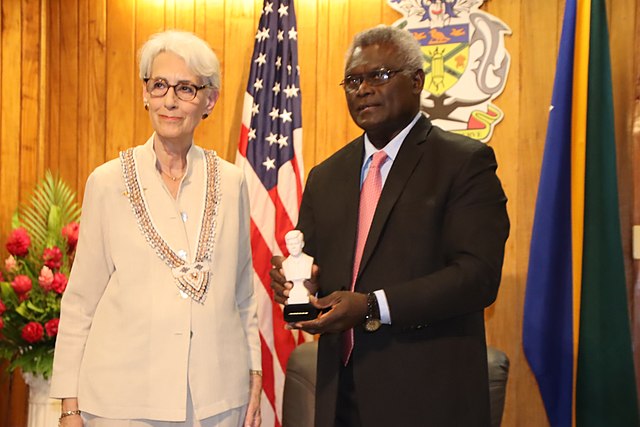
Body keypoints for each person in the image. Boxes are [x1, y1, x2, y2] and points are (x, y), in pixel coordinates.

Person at [271, 25, 509, 427]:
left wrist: (371, 305)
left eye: (379, 75)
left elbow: (477, 277)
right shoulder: (325, 176)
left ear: (417, 80)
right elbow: (315, 272)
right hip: (339, 397)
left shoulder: (463, 162)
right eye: (353, 80)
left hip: (428, 399)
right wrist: (299, 285)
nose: (363, 89)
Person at [50, 30, 262, 427]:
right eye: (159, 84)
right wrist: (69, 406)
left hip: (216, 402)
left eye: (185, 88)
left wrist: (254, 376)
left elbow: (243, 295)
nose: (169, 100)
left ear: (208, 101)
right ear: (145, 93)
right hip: (122, 403)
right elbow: (80, 303)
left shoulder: (232, 183)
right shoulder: (107, 182)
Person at [281, 230, 314, 304]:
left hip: (304, 294)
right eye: (290, 244)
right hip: (293, 295)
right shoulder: (286, 264)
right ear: (286, 246)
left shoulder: (309, 260)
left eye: (296, 243)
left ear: (302, 244)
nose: (293, 247)